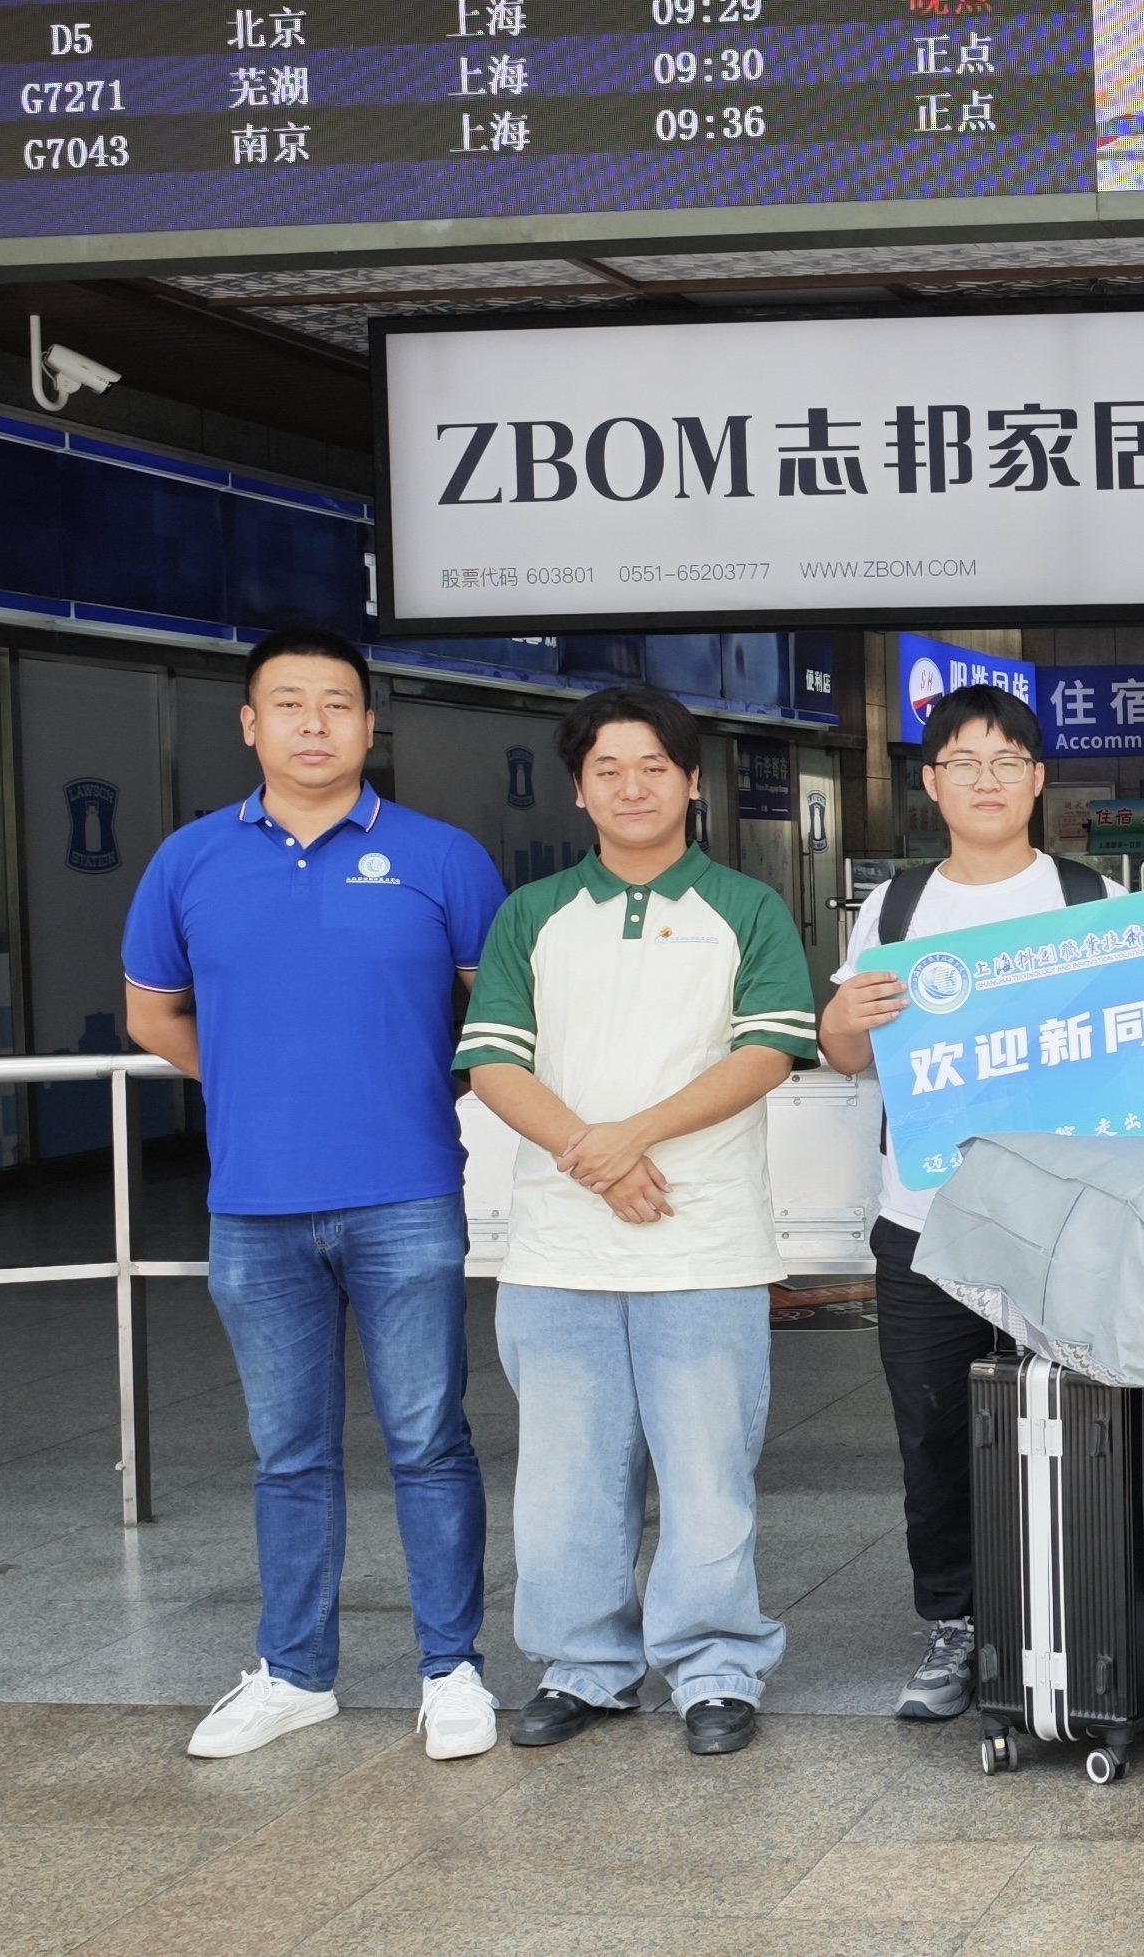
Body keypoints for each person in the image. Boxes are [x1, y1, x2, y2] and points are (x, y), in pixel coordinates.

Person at [123, 628, 509, 1762]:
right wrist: (247, 1077)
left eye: (337, 704)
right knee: (288, 1452)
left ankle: (453, 1670)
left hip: (406, 1195)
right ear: (250, 725)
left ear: (369, 726)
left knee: (428, 1440)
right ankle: (295, 1673)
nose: (313, 723)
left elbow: (496, 1020)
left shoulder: (442, 857)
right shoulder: (188, 860)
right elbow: (152, 1014)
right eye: (287, 703)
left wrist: (410, 1079)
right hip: (254, 1206)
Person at [456, 683, 817, 1758]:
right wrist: (594, 1157)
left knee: (709, 1473)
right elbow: (493, 1063)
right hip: (559, 1248)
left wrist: (632, 1138)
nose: (631, 787)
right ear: (578, 789)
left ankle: (716, 1669)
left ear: (692, 782)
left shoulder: (746, 908)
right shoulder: (532, 914)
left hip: (704, 1243)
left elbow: (769, 1050)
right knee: (564, 1476)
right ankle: (584, 1666)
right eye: (606, 769)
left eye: (654, 766)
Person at [817, 682, 1123, 1724]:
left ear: (1037, 781)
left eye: (1006, 762)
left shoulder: (1087, 899)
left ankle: (1075, 1622)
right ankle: (957, 1624)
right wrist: (847, 1015)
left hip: (1059, 1221)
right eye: (964, 763)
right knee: (936, 1434)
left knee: (1079, 1423)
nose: (985, 781)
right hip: (925, 1222)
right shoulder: (898, 908)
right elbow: (844, 1051)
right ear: (932, 783)